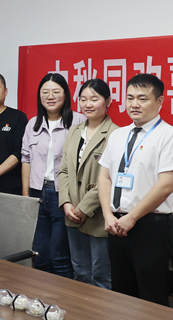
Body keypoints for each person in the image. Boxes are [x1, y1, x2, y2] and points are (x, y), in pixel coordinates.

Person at [98, 73, 173, 305]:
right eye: (130, 98)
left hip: (150, 227)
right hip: (117, 225)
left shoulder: (169, 136)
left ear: (159, 101)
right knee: (120, 293)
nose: (134, 104)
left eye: (142, 98)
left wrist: (133, 217)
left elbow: (166, 186)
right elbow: (104, 177)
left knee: (151, 295)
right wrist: (107, 214)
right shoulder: (118, 135)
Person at [21, 73, 85, 278]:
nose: (50, 96)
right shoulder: (33, 124)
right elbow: (26, 159)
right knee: (39, 254)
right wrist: (26, 196)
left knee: (59, 256)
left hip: (63, 195)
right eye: (45, 92)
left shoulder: (79, 121)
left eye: (56, 92)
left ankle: (62, 297)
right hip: (37, 193)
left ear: (65, 95)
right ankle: (42, 296)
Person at [58, 79, 118, 289]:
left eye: (94, 99)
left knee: (101, 275)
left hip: (98, 215)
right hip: (72, 214)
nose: (88, 104)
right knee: (80, 272)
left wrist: (84, 208)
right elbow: (64, 170)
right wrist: (66, 203)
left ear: (108, 101)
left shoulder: (115, 134)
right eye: (83, 99)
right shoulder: (75, 131)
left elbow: (109, 177)